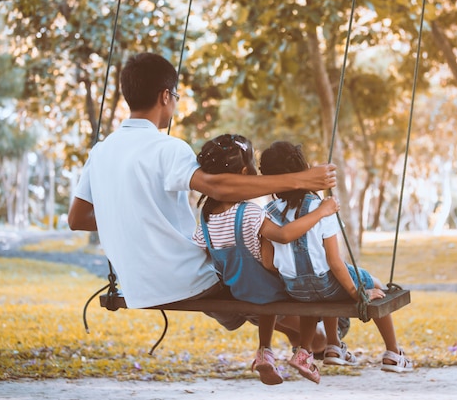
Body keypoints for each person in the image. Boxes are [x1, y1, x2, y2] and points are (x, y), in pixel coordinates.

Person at [67, 53, 336, 349]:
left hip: (139, 286)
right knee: (259, 277)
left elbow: (77, 219)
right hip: (190, 279)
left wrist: (128, 213)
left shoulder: (101, 152)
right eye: (176, 96)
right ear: (165, 96)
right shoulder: (167, 148)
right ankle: (317, 338)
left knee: (246, 292)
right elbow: (217, 187)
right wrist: (301, 180)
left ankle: (292, 342)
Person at [192, 134, 337, 385]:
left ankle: (264, 352)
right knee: (302, 288)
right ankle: (304, 351)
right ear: (247, 173)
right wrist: (322, 211)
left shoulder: (206, 219)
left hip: (239, 291)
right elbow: (282, 235)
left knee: (265, 287)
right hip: (269, 291)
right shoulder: (248, 212)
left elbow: (202, 250)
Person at [259, 141, 414, 373]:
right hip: (326, 284)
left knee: (323, 287)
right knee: (373, 284)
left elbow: (268, 263)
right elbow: (334, 261)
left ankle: (334, 347)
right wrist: (358, 294)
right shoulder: (323, 208)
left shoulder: (268, 213)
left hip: (295, 290)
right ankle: (393, 352)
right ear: (305, 170)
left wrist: (293, 272)